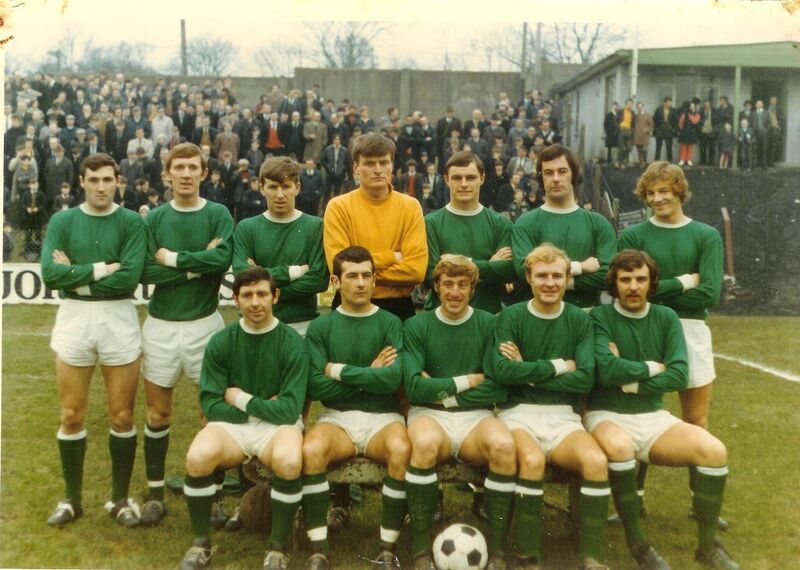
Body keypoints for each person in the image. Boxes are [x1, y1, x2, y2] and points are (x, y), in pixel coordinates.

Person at [586, 249, 739, 570]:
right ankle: (639, 544)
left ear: (651, 283)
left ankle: (708, 546)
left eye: (640, 279)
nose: (632, 286)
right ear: (614, 283)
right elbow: (605, 371)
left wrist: (630, 379)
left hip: (654, 417)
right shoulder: (600, 317)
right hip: (607, 415)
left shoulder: (666, 317)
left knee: (713, 451)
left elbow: (680, 374)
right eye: (625, 279)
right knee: (620, 446)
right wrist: (656, 367)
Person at [41, 153, 146, 527]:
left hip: (118, 317)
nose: (101, 186)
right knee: (71, 415)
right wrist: (102, 268)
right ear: (82, 182)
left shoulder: (131, 222)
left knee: (122, 416)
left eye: (107, 179)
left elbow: (129, 278)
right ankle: (72, 500)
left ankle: (119, 499)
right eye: (93, 180)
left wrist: (76, 274)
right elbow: (51, 275)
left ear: (118, 181)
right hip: (74, 320)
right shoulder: (63, 220)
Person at [179, 266, 308, 570]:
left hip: (278, 427)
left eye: (262, 294)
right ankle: (201, 543)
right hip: (233, 426)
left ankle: (277, 548)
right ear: (235, 299)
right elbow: (210, 404)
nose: (255, 302)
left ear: (275, 296)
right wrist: (263, 406)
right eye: (247, 295)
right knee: (197, 457)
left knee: (289, 461)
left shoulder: (292, 342)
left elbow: (290, 410)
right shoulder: (222, 341)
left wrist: (240, 397)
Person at [491, 244, 610, 570]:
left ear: (567, 277)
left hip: (564, 417)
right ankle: (531, 556)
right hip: (518, 414)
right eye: (541, 275)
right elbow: (503, 373)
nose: (549, 283)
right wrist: (561, 366)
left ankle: (591, 556)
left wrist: (527, 371)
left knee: (597, 461)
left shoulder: (579, 320)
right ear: (529, 277)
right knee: (530, 460)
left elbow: (585, 380)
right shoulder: (510, 316)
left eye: (557, 275)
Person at [618, 162, 725, 519]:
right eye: (650, 193)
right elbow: (633, 294)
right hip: (645, 328)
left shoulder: (706, 235)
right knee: (640, 413)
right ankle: (634, 500)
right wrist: (684, 282)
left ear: (679, 190)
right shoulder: (634, 237)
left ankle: (701, 501)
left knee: (695, 418)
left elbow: (708, 294)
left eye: (664, 191)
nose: (657, 198)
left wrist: (664, 291)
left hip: (691, 329)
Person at [138, 142, 234, 527]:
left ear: (204, 173)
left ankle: (211, 499)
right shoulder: (155, 218)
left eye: (193, 167)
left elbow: (222, 260)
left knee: (209, 413)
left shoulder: (218, 213)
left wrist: (174, 259)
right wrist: (199, 263)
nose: (186, 174)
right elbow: (146, 271)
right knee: (158, 414)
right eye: (178, 167)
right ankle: (155, 494)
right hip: (160, 327)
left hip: (205, 326)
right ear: (167, 174)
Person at [301, 246, 410, 570]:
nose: (360, 283)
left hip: (384, 417)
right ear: (335, 280)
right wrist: (371, 372)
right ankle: (318, 548)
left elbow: (392, 381)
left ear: (375, 279)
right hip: (338, 418)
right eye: (352, 276)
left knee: (401, 449)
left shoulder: (391, 322)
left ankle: (387, 549)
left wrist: (337, 370)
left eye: (366, 275)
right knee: (311, 450)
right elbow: (316, 387)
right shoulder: (322, 327)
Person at [403, 255, 513, 570]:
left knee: (504, 448)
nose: (454, 292)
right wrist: (467, 381)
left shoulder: (489, 323)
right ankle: (422, 548)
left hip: (475, 415)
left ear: (473, 289)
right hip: (427, 413)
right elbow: (413, 389)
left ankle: (500, 549)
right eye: (447, 284)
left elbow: (498, 388)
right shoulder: (416, 325)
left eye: (462, 285)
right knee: (423, 445)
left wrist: (443, 392)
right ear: (435, 287)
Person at [323, 133, 427, 321]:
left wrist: (359, 272)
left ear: (392, 165)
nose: (378, 169)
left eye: (384, 162)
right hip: (349, 306)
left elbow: (416, 270)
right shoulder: (338, 207)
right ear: (356, 167)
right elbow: (339, 268)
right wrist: (392, 257)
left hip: (398, 308)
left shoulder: (410, 207)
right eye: (370, 163)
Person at [512, 144, 617, 309]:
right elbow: (524, 270)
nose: (555, 178)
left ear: (573, 174)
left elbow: (608, 274)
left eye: (562, 171)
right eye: (548, 173)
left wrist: (556, 281)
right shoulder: (526, 223)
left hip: (585, 315)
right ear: (541, 178)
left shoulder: (599, 223)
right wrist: (579, 267)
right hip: (538, 317)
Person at [232, 156, 328, 337]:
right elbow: (241, 276)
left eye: (286, 186)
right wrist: (293, 273)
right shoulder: (246, 227)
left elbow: (319, 280)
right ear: (261, 188)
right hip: (256, 325)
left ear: (297, 188)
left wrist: (261, 286)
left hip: (303, 325)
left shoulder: (316, 226)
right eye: (273, 187)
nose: (280, 194)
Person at [424, 151, 514, 314]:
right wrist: (489, 266)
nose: (464, 184)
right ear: (446, 179)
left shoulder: (501, 223)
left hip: (487, 316)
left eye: (470, 177)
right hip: (442, 318)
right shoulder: (431, 223)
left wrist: (462, 262)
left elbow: (507, 271)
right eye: (457, 178)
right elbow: (431, 276)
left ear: (482, 178)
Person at [633, 101, 654, 168]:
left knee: (644, 150)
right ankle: (641, 163)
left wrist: (648, 131)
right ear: (637, 108)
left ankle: (644, 162)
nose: (639, 108)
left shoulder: (648, 115)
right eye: (638, 107)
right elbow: (634, 125)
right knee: (639, 150)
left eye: (641, 106)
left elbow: (651, 125)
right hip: (637, 135)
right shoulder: (636, 116)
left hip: (645, 136)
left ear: (643, 107)